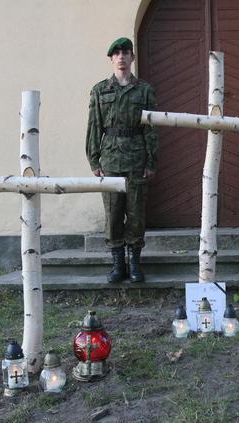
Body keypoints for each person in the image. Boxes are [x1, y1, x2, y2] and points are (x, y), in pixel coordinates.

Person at [86, 37, 158, 283]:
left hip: (137, 157)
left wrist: (151, 161)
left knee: (136, 213)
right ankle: (118, 264)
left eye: (126, 53)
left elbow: (152, 127)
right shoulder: (100, 90)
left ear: (132, 58)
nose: (121, 57)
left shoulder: (144, 90)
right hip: (111, 160)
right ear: (111, 59)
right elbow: (95, 126)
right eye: (116, 53)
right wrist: (94, 161)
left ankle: (135, 264)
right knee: (113, 213)